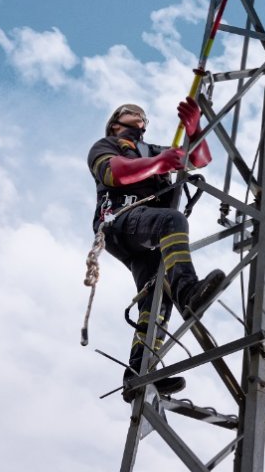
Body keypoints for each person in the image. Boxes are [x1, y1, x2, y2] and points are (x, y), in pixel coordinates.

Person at [87, 97, 224, 401]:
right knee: (170, 222)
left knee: (156, 300)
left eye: (142, 115)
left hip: (143, 232)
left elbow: (199, 158)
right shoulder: (105, 145)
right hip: (122, 220)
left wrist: (194, 129)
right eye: (131, 113)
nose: (139, 116)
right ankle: (188, 290)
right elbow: (116, 173)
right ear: (115, 122)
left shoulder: (153, 150)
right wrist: (159, 164)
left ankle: (139, 373)